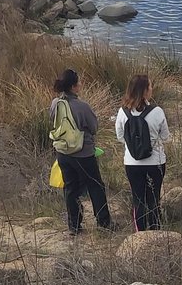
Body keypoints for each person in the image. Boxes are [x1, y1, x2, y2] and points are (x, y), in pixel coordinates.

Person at [49, 69, 113, 234]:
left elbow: (52, 121)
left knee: (70, 188)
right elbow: (93, 128)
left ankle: (74, 226)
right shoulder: (82, 107)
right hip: (83, 153)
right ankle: (104, 223)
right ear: (73, 86)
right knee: (95, 186)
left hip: (63, 153)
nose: (81, 84)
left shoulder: (56, 103)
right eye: (79, 82)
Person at [114, 73, 171, 232]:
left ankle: (140, 235)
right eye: (150, 86)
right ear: (145, 91)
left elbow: (120, 137)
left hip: (132, 163)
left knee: (138, 199)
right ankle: (155, 232)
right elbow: (166, 137)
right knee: (154, 199)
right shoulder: (157, 111)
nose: (152, 89)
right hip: (156, 162)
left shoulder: (122, 112)